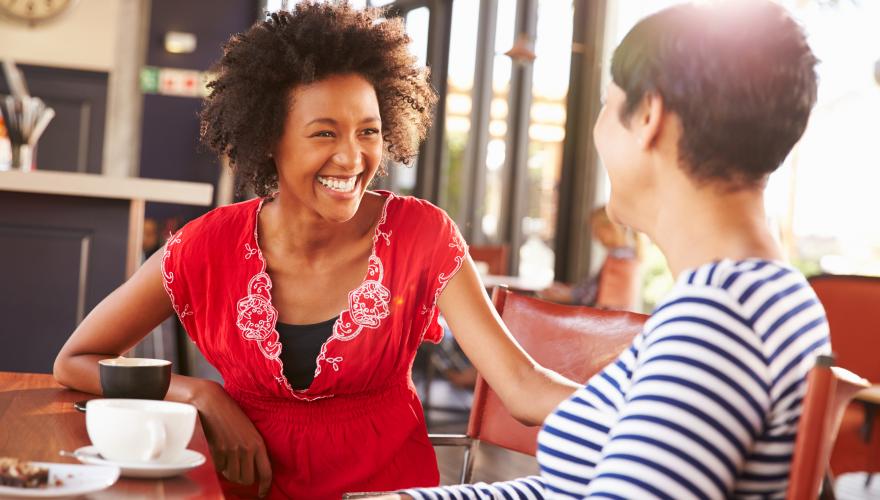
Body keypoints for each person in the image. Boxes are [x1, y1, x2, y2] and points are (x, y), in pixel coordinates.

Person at [52, 3, 578, 499]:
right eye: (324, 132)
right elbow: (75, 360)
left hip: (388, 493)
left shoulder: (424, 234)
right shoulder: (205, 245)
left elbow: (523, 386)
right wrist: (202, 395)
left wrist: (642, 405)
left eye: (368, 131)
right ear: (269, 141)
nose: (351, 157)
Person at [391, 1, 830, 498]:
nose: (599, 128)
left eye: (606, 101)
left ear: (648, 114)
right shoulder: (763, 295)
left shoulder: (716, 319)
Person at [539, 205, 641, 311]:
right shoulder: (626, 254)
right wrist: (570, 290)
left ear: (610, 228)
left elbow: (593, 291)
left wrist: (567, 295)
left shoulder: (619, 258)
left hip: (609, 318)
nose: (595, 236)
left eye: (597, 230)